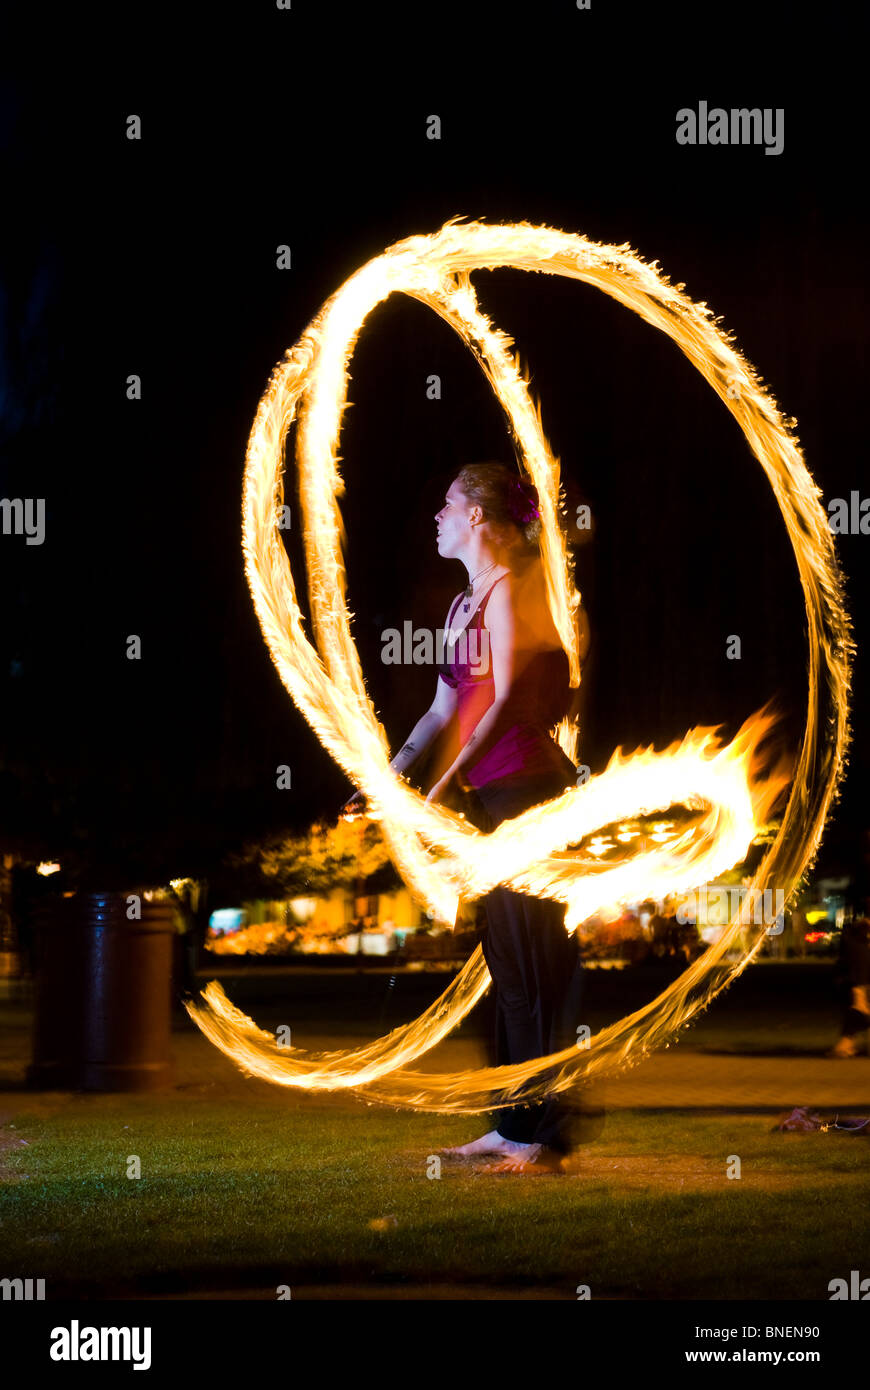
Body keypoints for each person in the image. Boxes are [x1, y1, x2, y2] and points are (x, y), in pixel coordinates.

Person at [346, 461, 591, 1173]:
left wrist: (441, 787)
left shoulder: (511, 593)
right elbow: (441, 712)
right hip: (486, 802)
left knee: (536, 965)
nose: (437, 516)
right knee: (506, 966)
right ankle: (509, 1123)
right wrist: (387, 782)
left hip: (526, 796)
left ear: (478, 518)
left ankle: (544, 1137)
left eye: (448, 504)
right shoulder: (462, 608)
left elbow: (506, 700)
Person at [826, 915, 870, 1058]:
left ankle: (846, 1043)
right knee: (857, 1013)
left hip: (856, 985)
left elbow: (858, 976)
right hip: (855, 984)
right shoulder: (857, 946)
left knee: (858, 1014)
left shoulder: (856, 947)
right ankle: (847, 1043)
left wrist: (859, 997)